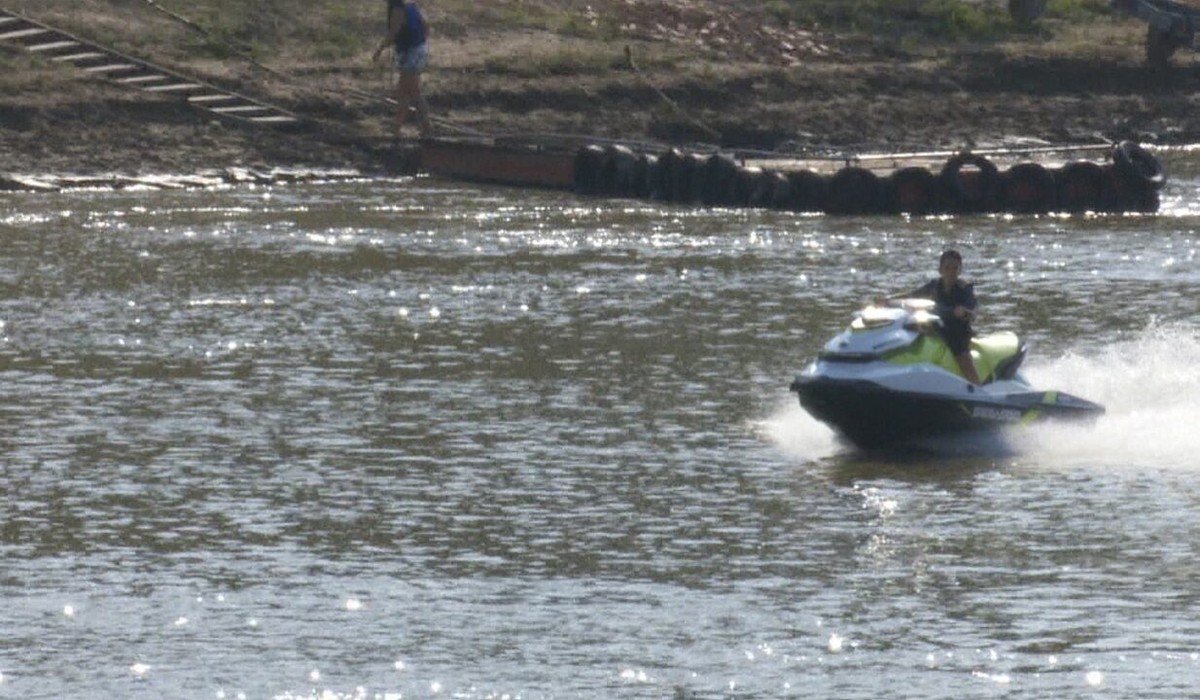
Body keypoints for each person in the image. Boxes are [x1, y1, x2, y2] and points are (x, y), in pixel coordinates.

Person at [893, 249, 982, 385]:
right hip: (936, 329)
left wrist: (965, 311)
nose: (951, 272)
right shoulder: (934, 286)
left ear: (960, 270)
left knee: (963, 359)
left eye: (955, 268)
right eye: (947, 268)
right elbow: (911, 295)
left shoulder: (964, 289)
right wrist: (889, 300)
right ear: (940, 270)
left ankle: (979, 391)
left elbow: (973, 306)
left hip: (956, 334)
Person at [372, 0, 433, 139]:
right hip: (416, 50)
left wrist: (379, 50)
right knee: (404, 92)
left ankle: (426, 127)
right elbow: (425, 26)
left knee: (412, 91)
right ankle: (397, 128)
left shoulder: (398, 10)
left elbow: (393, 33)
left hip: (411, 53)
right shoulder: (411, 5)